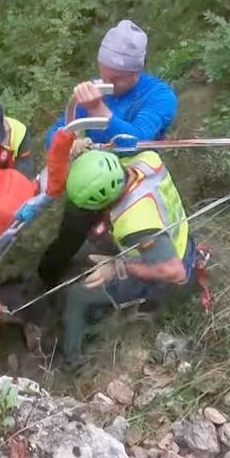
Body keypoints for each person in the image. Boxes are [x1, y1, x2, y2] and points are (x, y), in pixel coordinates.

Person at [38, 19, 178, 287]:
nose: (106, 83)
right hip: (93, 179)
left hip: (137, 181)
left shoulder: (159, 96)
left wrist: (98, 110)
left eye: (115, 79)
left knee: (137, 233)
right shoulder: (95, 88)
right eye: (103, 75)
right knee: (71, 231)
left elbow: (134, 140)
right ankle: (48, 280)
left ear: (136, 73)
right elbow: (54, 134)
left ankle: (136, 278)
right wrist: (71, 141)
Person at [57, 150, 195, 367]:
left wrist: (117, 267)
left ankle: (73, 361)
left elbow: (175, 272)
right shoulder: (148, 160)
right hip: (181, 239)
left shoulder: (134, 222)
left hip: (167, 271)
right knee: (89, 249)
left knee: (76, 296)